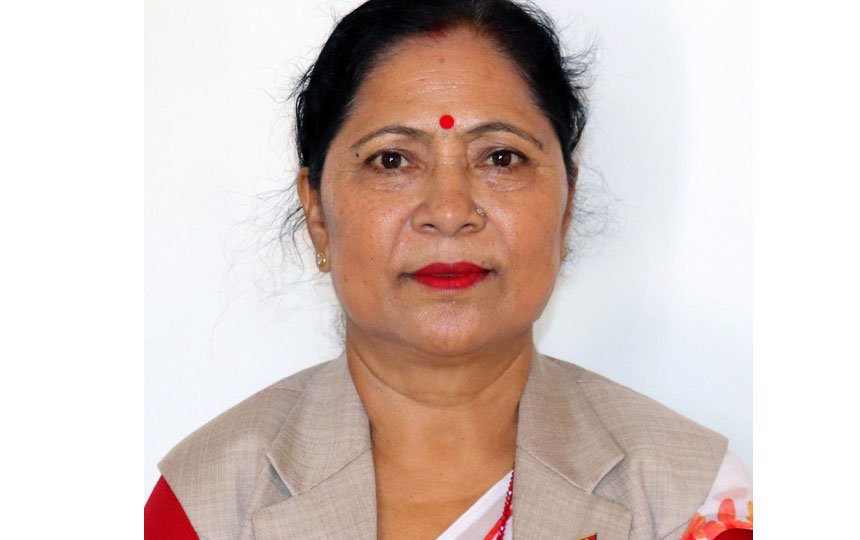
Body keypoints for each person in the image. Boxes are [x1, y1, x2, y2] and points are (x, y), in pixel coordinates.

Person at [145, 0, 752, 538]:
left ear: (566, 206)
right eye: (391, 160)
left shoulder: (688, 501)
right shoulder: (209, 505)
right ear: (319, 214)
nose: (450, 211)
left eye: (501, 158)